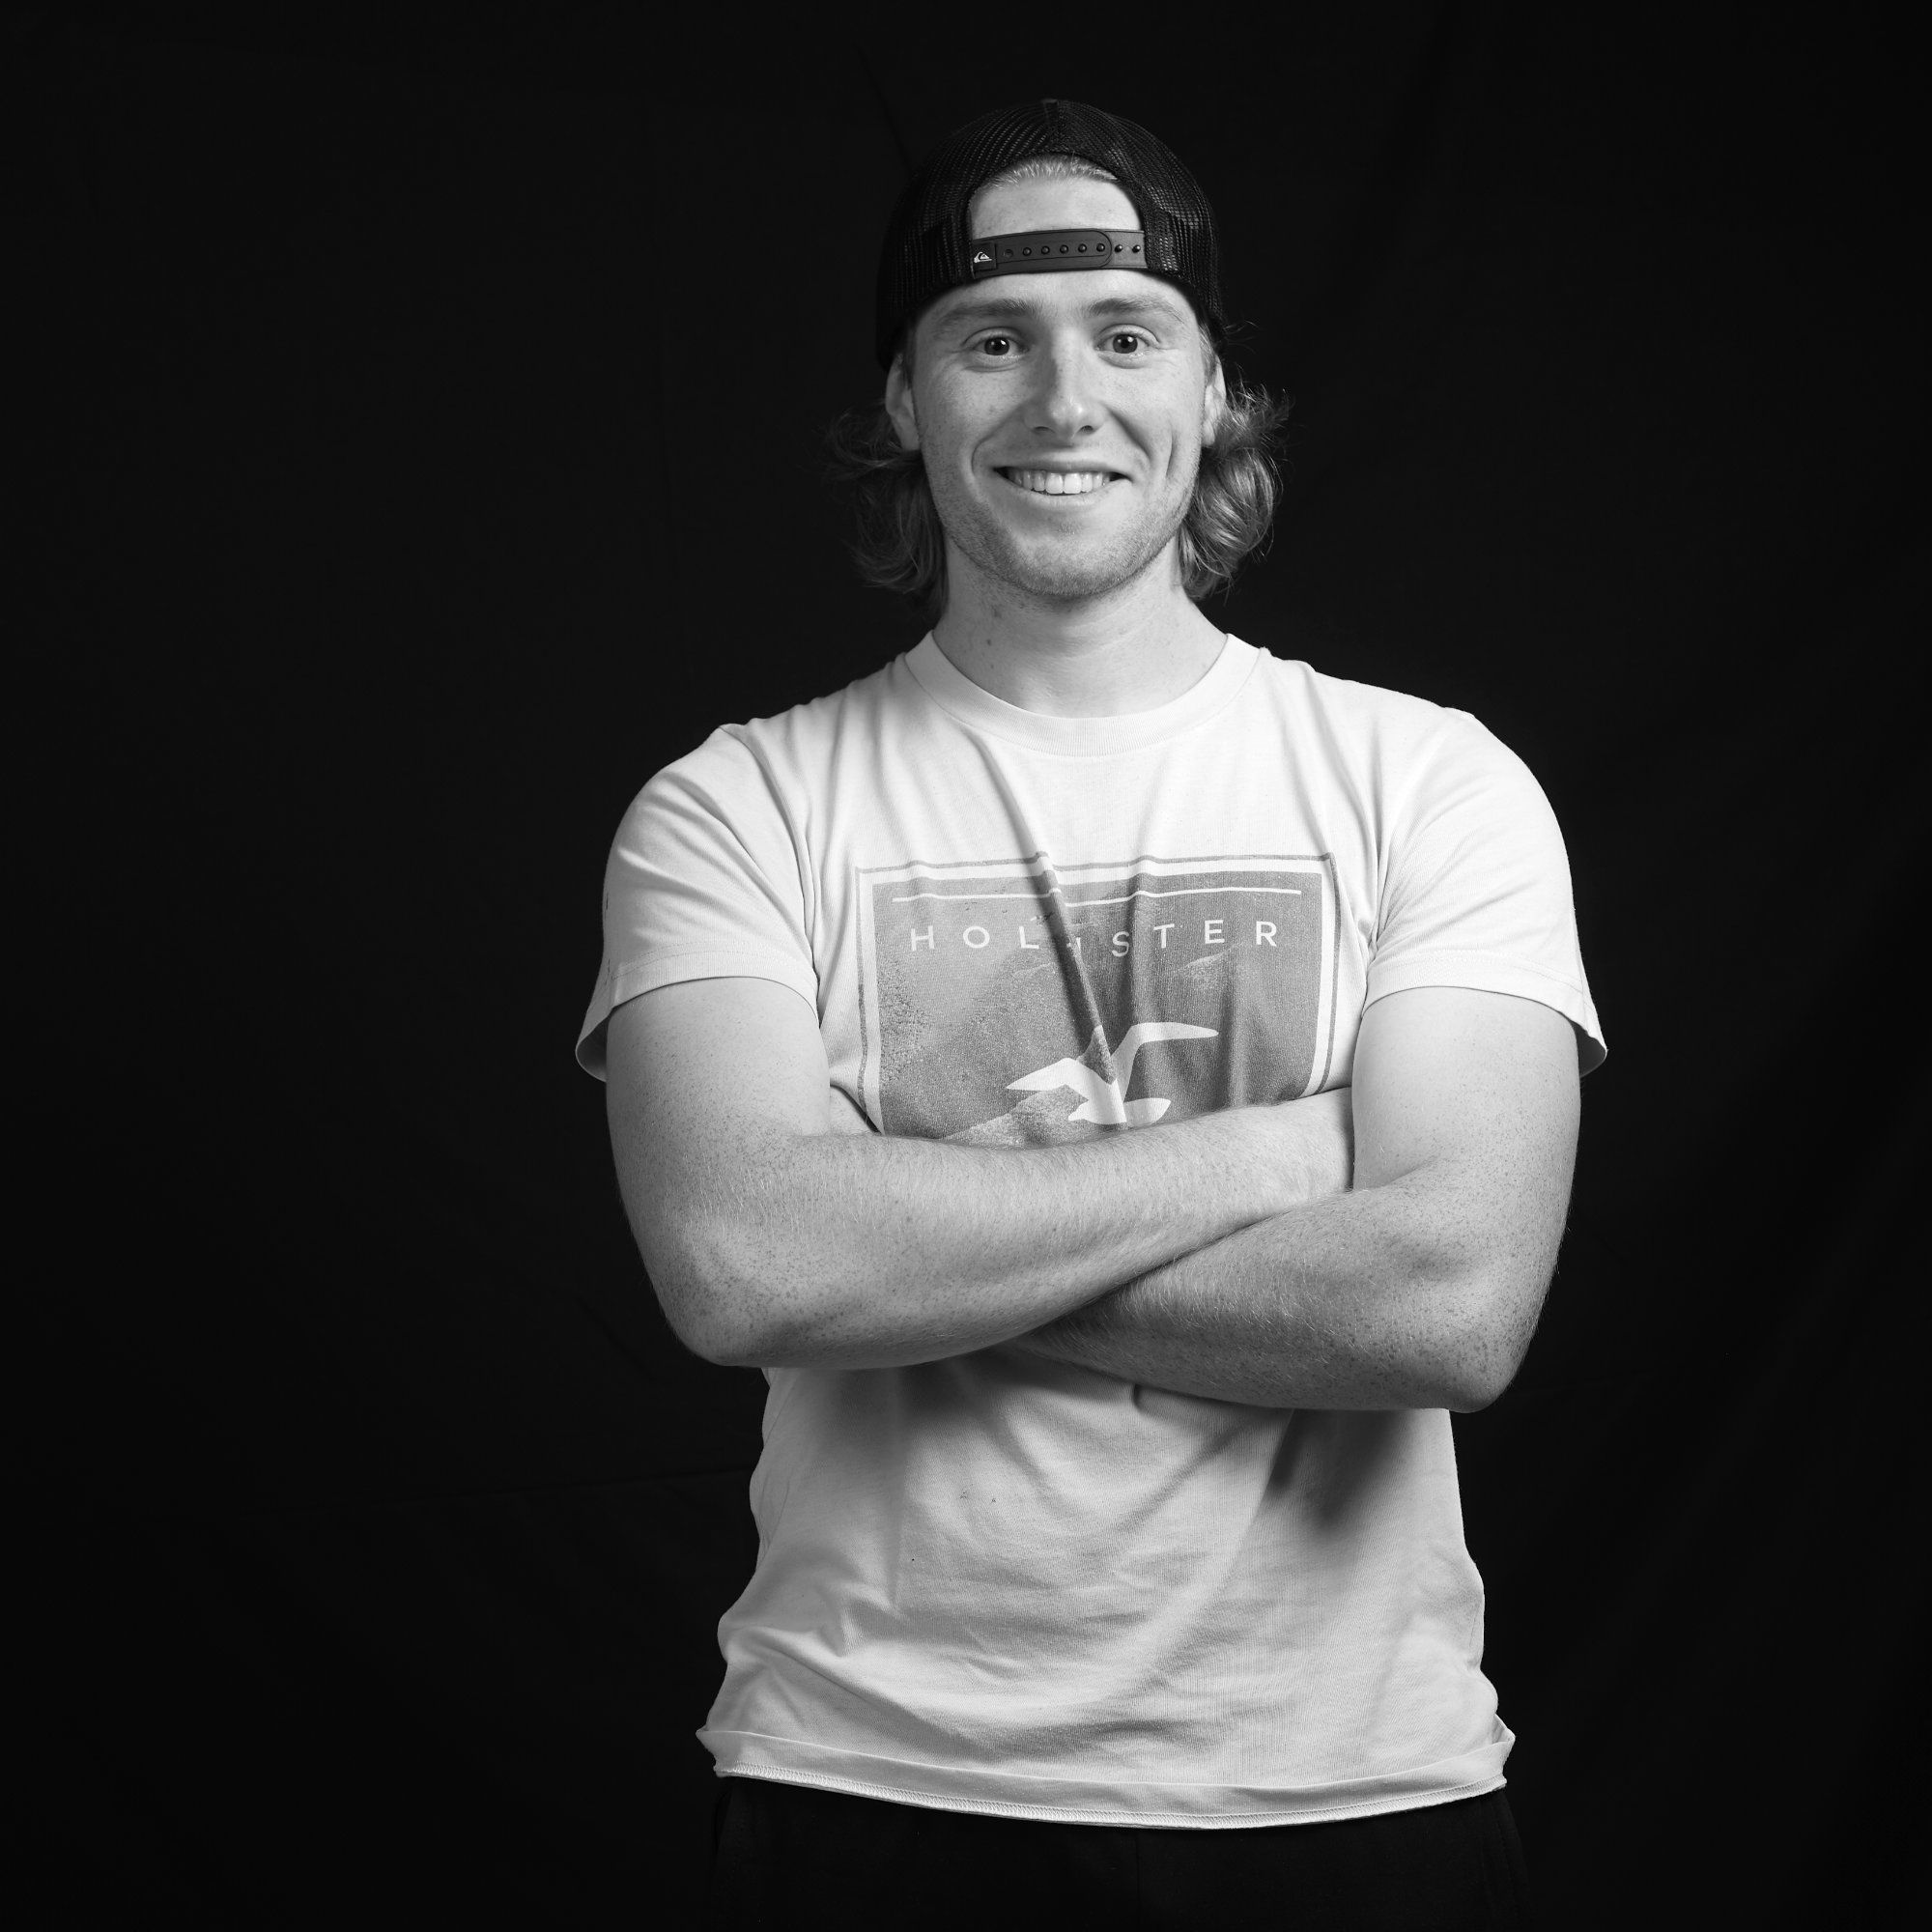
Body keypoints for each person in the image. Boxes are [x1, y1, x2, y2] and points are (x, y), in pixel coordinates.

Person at [577, 98, 1604, 1929]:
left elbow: (1449, 1302)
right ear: (906, 401)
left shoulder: (1431, 785)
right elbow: (746, 1263)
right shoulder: (738, 808)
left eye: (1128, 336)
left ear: (1213, 393)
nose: (1065, 400)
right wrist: (1288, 1156)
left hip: (1355, 1792)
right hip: (868, 1784)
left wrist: (904, 1239)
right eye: (994, 341)